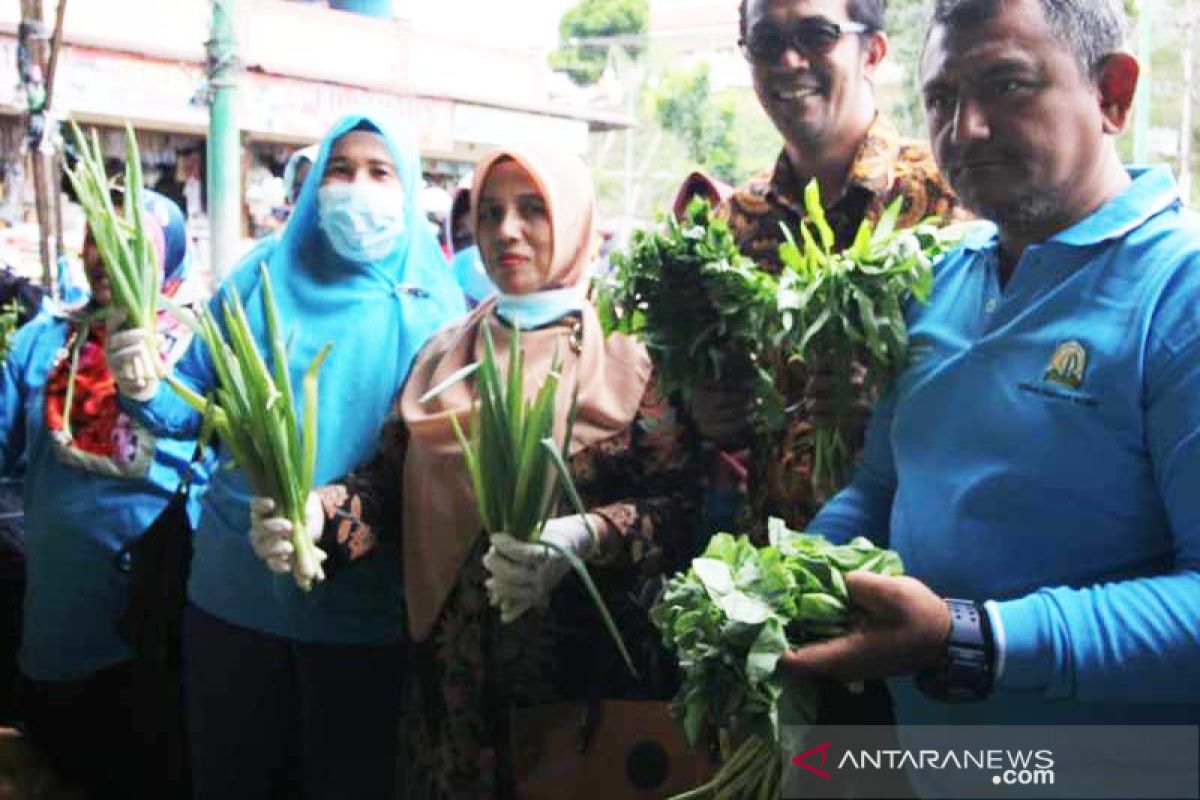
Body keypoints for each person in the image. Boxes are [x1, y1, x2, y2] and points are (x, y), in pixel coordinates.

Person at [781, 0, 1200, 796]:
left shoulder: (1179, 293)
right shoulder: (933, 281)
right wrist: (794, 569)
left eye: (1007, 85)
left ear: (1112, 93)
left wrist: (975, 637)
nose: (964, 130)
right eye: (941, 98)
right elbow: (882, 487)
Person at [252, 146, 704, 799]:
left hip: (585, 697)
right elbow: (383, 488)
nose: (506, 231)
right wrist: (316, 513)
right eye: (490, 213)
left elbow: (681, 507)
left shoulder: (630, 359)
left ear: (574, 220)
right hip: (452, 701)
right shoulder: (445, 355)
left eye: (532, 210)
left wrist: (587, 535)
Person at [108, 112, 466, 799]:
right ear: (312, 181)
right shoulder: (259, 277)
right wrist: (147, 387)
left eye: (379, 171)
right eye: (340, 169)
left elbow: (437, 476)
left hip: (367, 614)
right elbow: (190, 408)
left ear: (411, 186)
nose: (358, 186)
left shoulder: (438, 307)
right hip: (234, 597)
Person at [691, 0, 963, 537]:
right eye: (767, 42)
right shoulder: (735, 226)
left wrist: (894, 399)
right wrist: (711, 415)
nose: (789, 61)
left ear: (873, 53)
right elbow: (714, 420)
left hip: (915, 573)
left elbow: (999, 391)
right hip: (773, 572)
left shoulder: (948, 201)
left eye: (817, 35)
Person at [1, 191, 205, 798]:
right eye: (95, 236)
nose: (103, 254)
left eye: (129, 240)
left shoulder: (198, 350)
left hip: (153, 642)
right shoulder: (42, 341)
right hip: (53, 630)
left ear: (168, 252)